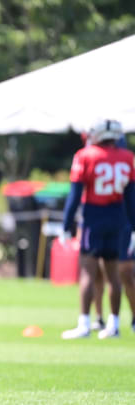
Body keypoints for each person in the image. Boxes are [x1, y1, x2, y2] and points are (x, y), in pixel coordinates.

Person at [61, 119, 135, 339]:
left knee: (88, 272)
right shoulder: (128, 158)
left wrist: (66, 225)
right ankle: (114, 324)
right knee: (113, 275)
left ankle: (84, 323)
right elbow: (131, 198)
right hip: (118, 219)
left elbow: (75, 195)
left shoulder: (85, 156)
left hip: (93, 218)